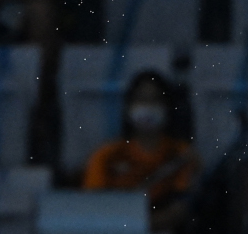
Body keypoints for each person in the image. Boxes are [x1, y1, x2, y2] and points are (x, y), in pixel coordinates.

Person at [83, 71, 201, 233]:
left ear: (168, 107)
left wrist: (134, 225)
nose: (148, 106)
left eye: (156, 100)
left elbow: (179, 210)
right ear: (128, 106)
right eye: (142, 99)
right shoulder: (105, 155)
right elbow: (92, 207)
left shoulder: (182, 154)